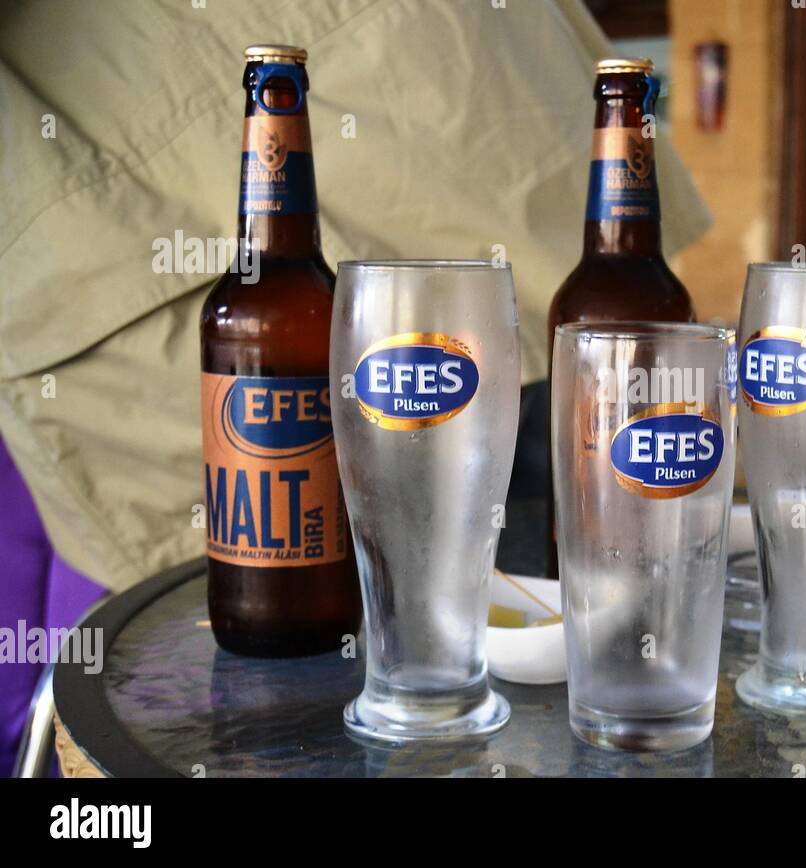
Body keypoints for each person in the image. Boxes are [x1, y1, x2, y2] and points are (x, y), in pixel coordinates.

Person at [0, 0, 710, 774]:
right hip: (94, 296)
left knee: (489, 524)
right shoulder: (262, 295)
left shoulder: (328, 289)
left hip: (452, 219)